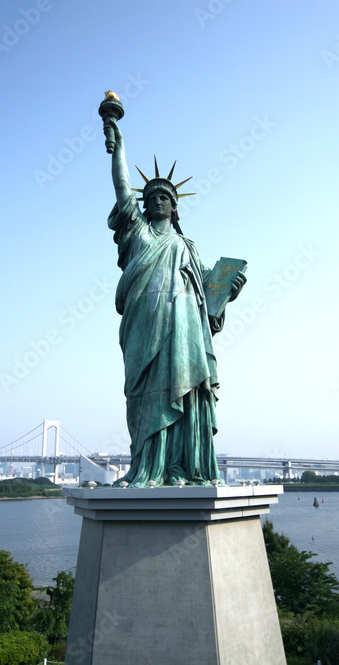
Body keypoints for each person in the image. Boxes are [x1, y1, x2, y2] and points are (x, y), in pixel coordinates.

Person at [103, 116, 245, 487]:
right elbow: (122, 188)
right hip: (144, 322)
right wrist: (118, 145)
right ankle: (148, 467)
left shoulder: (187, 246)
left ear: (175, 206)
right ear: (143, 206)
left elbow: (209, 295)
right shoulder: (137, 233)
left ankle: (181, 467)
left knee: (184, 387)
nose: (157, 202)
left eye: (164, 197)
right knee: (144, 392)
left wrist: (229, 287)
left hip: (183, 327)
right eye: (151, 198)